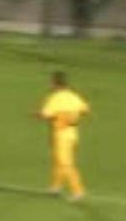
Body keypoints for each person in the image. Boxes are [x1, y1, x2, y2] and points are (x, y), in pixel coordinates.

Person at [37, 72, 91, 201]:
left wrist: (37, 115)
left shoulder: (55, 98)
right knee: (59, 160)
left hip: (61, 133)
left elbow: (45, 114)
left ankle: (78, 190)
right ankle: (56, 186)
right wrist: (71, 116)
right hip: (73, 132)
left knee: (65, 162)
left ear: (55, 84)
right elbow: (85, 109)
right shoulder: (73, 96)